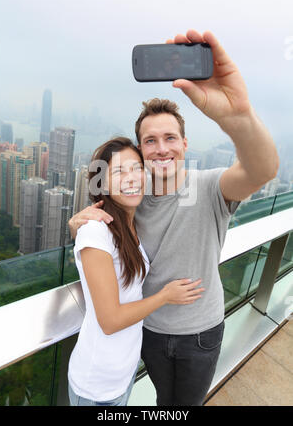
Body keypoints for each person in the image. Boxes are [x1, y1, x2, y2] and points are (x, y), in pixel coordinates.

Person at [69, 29, 279, 406]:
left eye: (170, 138)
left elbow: (262, 170)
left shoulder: (210, 187)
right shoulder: (132, 197)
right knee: (163, 402)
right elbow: (104, 234)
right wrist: (77, 225)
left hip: (200, 334)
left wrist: (239, 116)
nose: (161, 148)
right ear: (141, 151)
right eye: (150, 141)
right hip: (147, 331)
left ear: (185, 143)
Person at [67, 137, 203, 407]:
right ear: (102, 184)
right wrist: (165, 296)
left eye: (136, 168)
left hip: (123, 373)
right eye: (118, 172)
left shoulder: (132, 224)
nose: (131, 178)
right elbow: (110, 320)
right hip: (96, 386)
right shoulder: (96, 231)